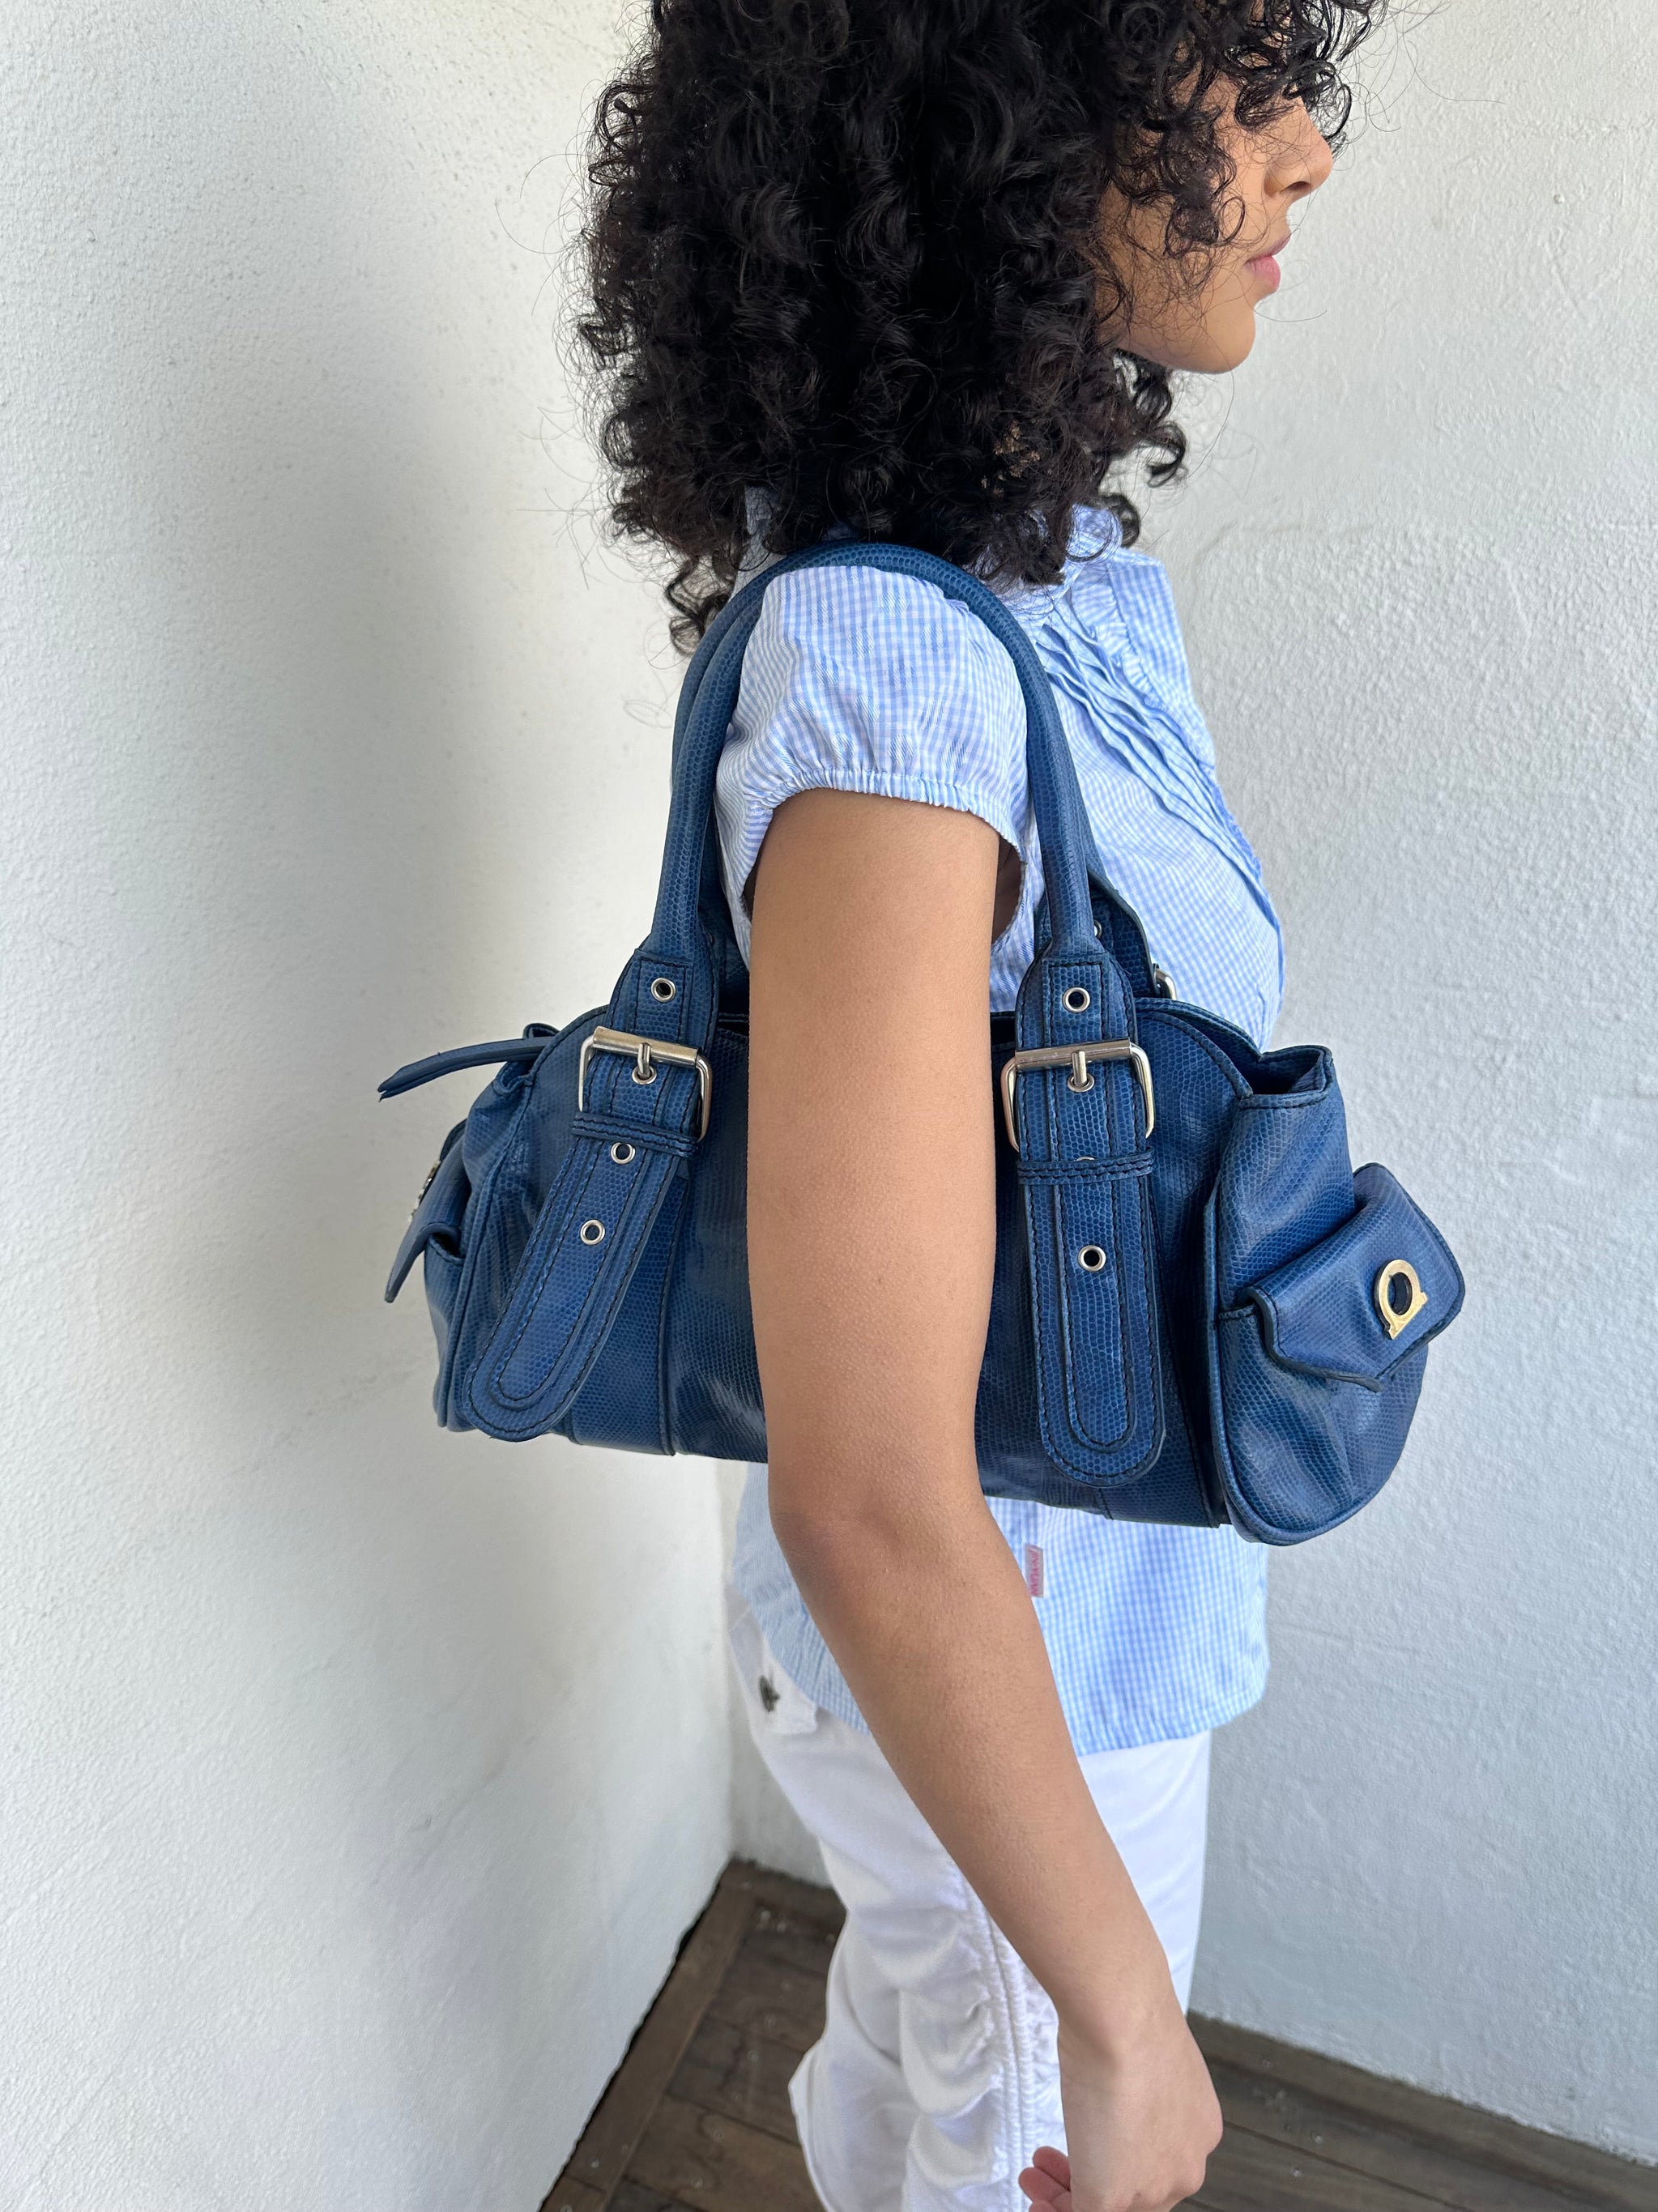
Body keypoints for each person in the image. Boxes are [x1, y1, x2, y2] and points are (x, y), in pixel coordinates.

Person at [581, 5, 1375, 2207]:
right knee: (990, 2109)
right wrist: (1113, 2014)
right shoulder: (902, 670)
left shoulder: (1032, 586)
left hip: (1056, 1654)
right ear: (992, 128)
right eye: (1229, 69)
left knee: (907, 2082)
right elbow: (867, 1481)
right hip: (1014, 1689)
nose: (1304, 149)